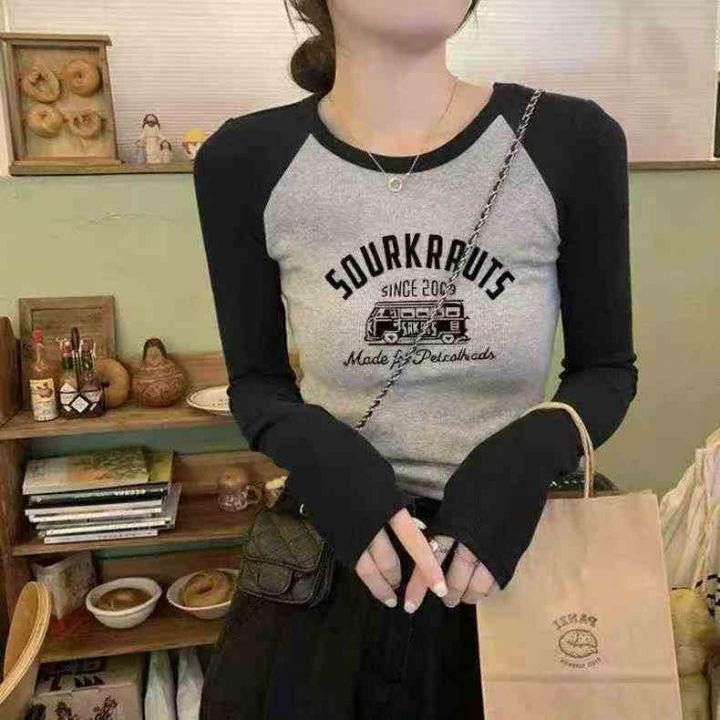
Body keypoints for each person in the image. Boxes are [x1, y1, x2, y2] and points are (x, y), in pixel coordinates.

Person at [192, 1, 638, 717]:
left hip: (508, 552)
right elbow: (257, 382)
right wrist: (324, 456)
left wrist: (526, 456)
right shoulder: (244, 159)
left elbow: (607, 370)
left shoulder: (570, 140)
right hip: (335, 559)